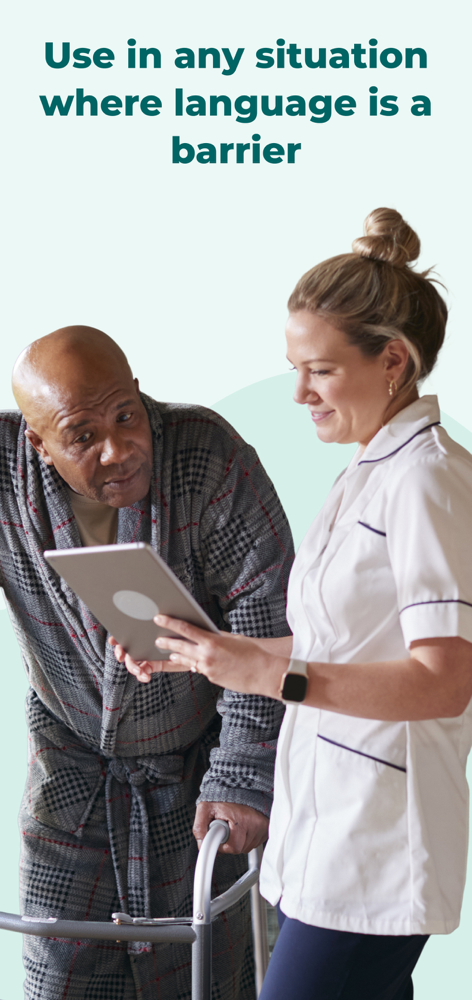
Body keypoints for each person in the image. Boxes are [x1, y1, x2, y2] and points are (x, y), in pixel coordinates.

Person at [119, 209, 472, 1000]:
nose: (299, 393)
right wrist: (198, 649)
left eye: (319, 369)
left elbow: (445, 681)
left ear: (392, 362)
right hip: (327, 833)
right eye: (293, 367)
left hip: (379, 845)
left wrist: (274, 677)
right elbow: (330, 647)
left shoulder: (427, 482)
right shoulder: (367, 474)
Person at [1, 325, 294, 1000]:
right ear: (37, 443)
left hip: (199, 767)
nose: (119, 448)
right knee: (60, 972)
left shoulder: (206, 457)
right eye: (82, 435)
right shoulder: (5, 473)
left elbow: (269, 620)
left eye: (126, 415)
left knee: (208, 970)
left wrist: (243, 775)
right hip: (71, 765)